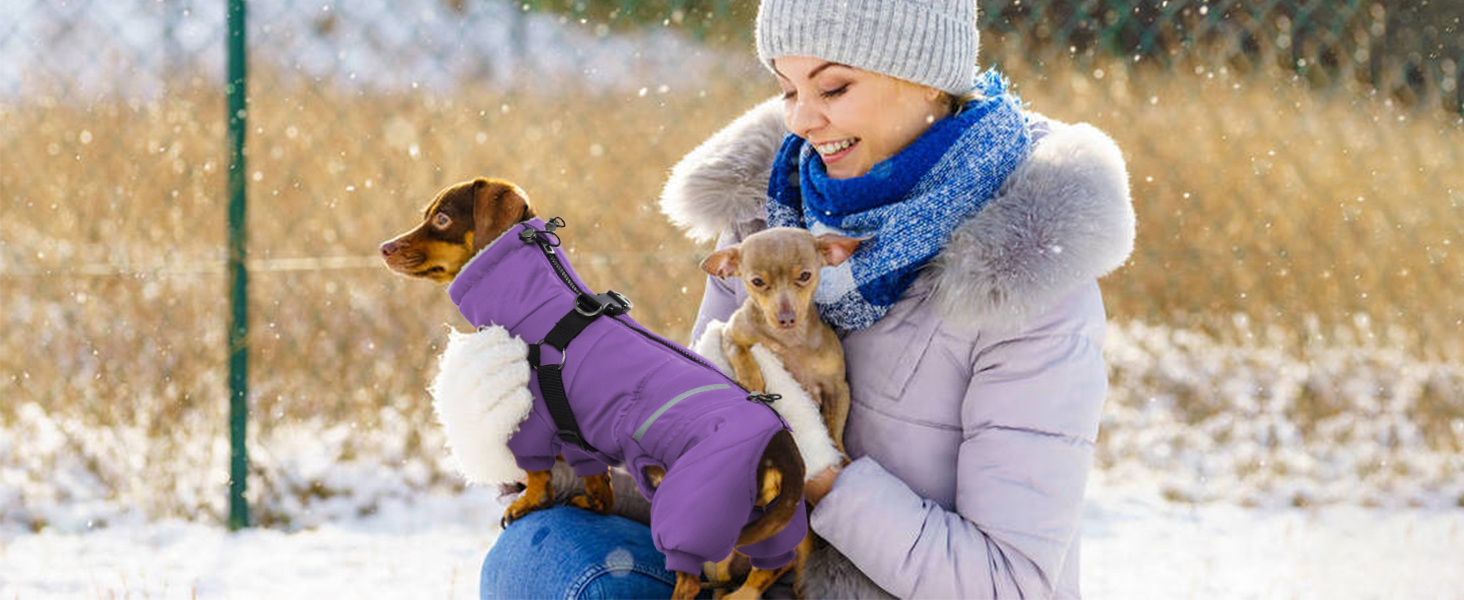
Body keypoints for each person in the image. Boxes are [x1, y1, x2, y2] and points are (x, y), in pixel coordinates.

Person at [481, 0, 1134, 597]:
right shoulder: (767, 223)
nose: (801, 118)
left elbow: (1013, 584)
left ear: (930, 77)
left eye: (834, 87)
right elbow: (695, 463)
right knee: (541, 553)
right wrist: (565, 451)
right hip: (760, 574)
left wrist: (820, 470)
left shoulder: (1021, 277)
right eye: (787, 88)